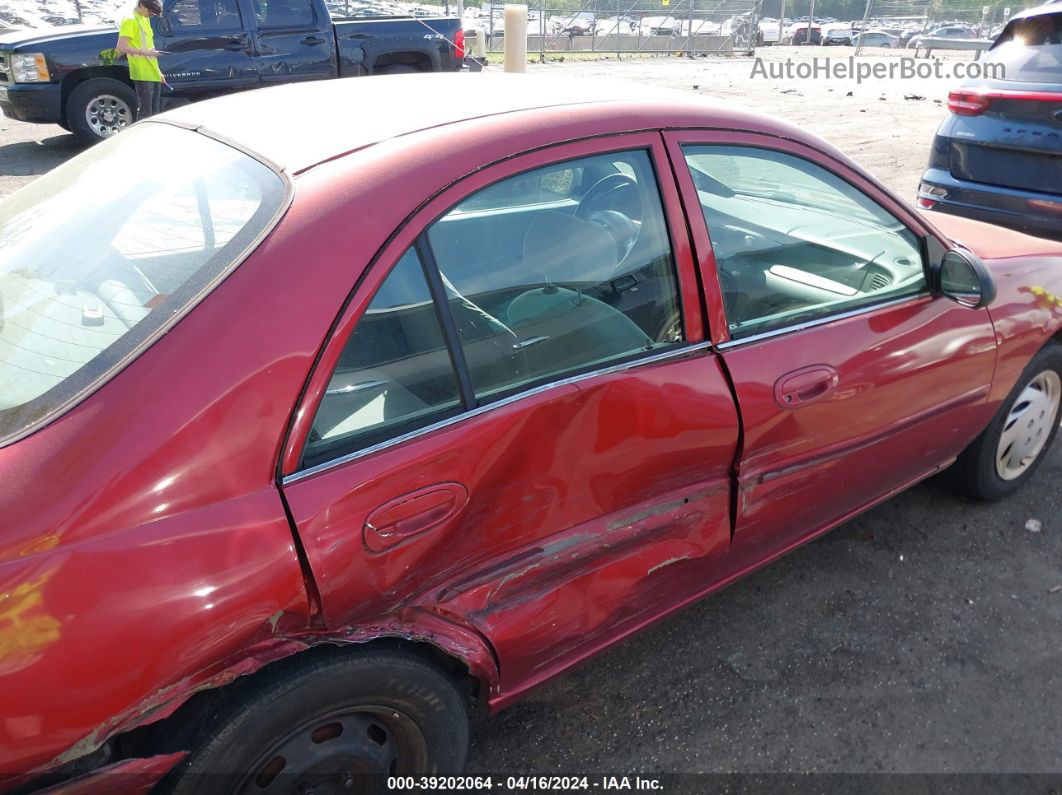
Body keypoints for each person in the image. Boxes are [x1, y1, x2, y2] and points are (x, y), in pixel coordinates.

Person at [115, 0, 166, 121]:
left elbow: (149, 46)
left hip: (152, 71)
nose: (151, 15)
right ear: (141, 5)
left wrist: (158, 72)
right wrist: (146, 53)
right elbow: (121, 47)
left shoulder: (145, 18)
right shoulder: (130, 20)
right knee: (145, 113)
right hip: (142, 73)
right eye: (151, 12)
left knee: (155, 112)